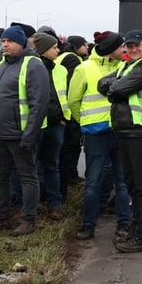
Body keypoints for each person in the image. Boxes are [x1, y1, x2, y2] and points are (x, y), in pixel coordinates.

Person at [98, 29, 142, 253]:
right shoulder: (128, 66)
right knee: (134, 186)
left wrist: (116, 87)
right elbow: (102, 84)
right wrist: (115, 87)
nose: (133, 49)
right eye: (130, 45)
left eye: (137, 45)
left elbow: (118, 88)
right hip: (129, 132)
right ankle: (136, 231)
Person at [0, 25, 49, 236]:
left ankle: (28, 219)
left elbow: (39, 103)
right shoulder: (1, 63)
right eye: (3, 41)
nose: (5, 44)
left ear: (21, 43)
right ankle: (3, 215)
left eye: (10, 41)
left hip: (19, 134)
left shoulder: (33, 64)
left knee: (27, 176)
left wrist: (30, 134)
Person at [68, 31, 132, 241]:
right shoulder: (84, 68)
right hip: (96, 134)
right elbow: (73, 100)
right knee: (93, 181)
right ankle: (88, 224)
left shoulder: (125, 67)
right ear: (109, 49)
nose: (125, 49)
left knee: (122, 182)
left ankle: (124, 223)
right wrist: (85, 122)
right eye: (121, 46)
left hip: (120, 132)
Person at [33, 32, 68, 221]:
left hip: (56, 125)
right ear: (43, 49)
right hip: (36, 126)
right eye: (54, 47)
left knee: (52, 165)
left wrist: (64, 118)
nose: (58, 50)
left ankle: (54, 204)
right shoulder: (32, 68)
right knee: (31, 167)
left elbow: (64, 95)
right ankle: (30, 205)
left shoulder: (60, 69)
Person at [57, 35, 89, 196]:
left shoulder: (63, 55)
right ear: (77, 46)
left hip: (63, 108)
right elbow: (72, 86)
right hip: (70, 109)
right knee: (72, 145)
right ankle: (71, 176)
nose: (87, 47)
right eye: (84, 45)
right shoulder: (73, 59)